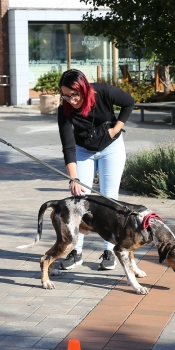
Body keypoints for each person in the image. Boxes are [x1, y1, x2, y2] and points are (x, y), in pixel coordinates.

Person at [55, 69, 135, 271]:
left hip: (111, 148)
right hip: (83, 151)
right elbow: (68, 146)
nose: (71, 100)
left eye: (74, 95)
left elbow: (128, 102)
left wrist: (115, 129)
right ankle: (76, 251)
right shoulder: (64, 109)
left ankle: (110, 251)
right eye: (66, 95)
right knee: (80, 199)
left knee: (109, 199)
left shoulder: (103, 92)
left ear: (84, 89)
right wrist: (73, 178)